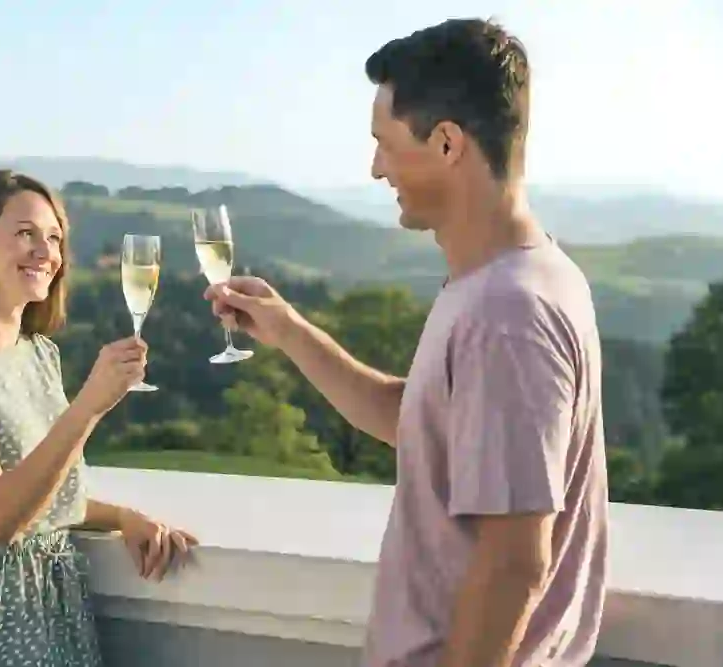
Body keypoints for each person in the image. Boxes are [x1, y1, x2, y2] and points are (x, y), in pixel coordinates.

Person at [206, 18, 608, 667]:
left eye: (384, 143)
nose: (374, 168)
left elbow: (513, 560)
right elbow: (419, 421)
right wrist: (289, 331)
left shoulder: (507, 311)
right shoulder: (510, 279)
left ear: (447, 143)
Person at [0, 169, 198, 667]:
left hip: (55, 621)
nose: (45, 251)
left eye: (54, 238)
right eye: (25, 233)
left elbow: (40, 491)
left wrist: (119, 517)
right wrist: (89, 406)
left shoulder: (38, 354)